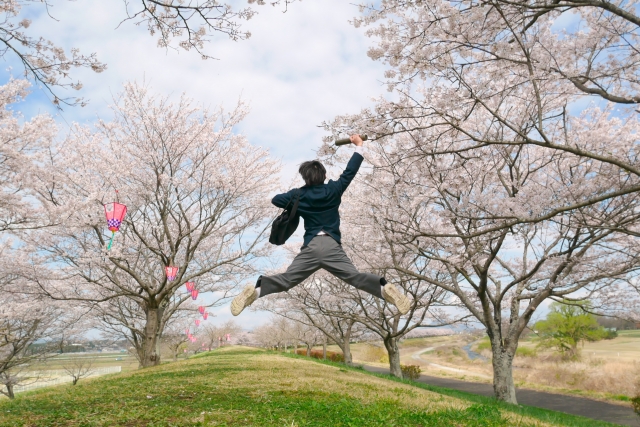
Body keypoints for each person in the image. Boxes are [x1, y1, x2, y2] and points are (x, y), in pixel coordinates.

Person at [231, 134, 410, 316]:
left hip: (311, 246)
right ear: (324, 175)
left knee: (287, 280)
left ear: (305, 178)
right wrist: (359, 146)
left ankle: (256, 292)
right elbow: (350, 171)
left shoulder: (299, 195)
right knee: (355, 278)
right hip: (332, 245)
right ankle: (384, 288)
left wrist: (295, 197)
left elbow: (276, 200)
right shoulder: (334, 189)